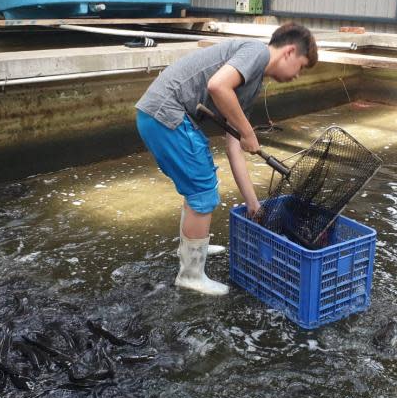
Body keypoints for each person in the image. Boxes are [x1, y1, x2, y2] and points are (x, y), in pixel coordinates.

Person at [135, 23, 318, 296]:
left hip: (160, 116)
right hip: (167, 114)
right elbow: (218, 86)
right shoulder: (256, 52)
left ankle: (192, 246)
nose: (297, 75)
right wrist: (248, 131)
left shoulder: (250, 82)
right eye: (301, 67)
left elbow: (234, 146)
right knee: (203, 191)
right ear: (289, 52)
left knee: (197, 184)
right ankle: (191, 275)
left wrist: (254, 205)